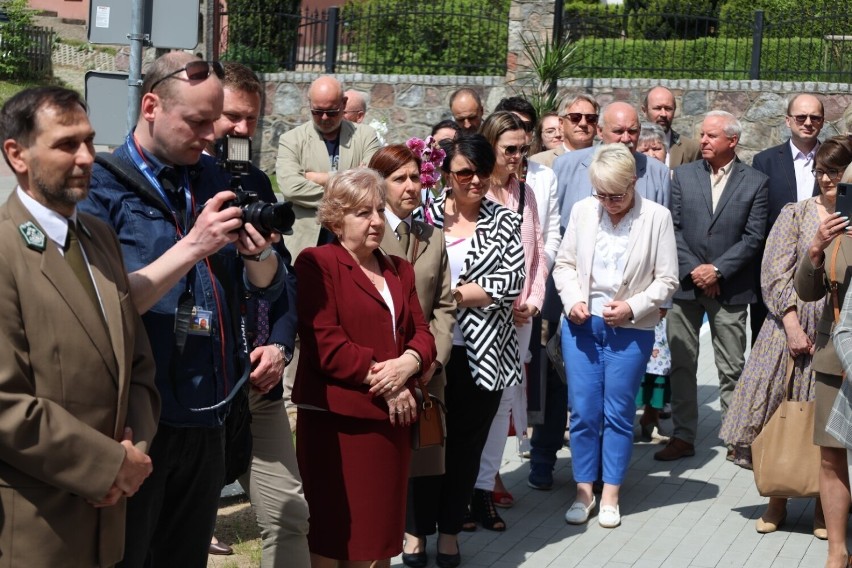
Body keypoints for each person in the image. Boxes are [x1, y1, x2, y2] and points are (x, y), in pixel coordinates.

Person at [81, 52, 287, 567]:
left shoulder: (216, 178)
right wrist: (192, 246)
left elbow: (267, 287)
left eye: (214, 120)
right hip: (140, 421)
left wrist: (259, 256)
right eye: (196, 121)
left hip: (210, 411)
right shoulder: (100, 188)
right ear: (151, 106)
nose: (212, 133)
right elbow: (100, 306)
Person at [0, 85, 159, 567]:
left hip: (106, 528)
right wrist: (108, 466)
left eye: (89, 141)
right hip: (36, 528)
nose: (87, 157)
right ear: (17, 155)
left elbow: (139, 366)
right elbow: (6, 403)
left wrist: (134, 456)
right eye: (67, 144)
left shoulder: (98, 237)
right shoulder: (4, 251)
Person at [293, 167, 436, 567]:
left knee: (377, 540)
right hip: (337, 425)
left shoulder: (398, 268)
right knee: (333, 534)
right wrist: (388, 381)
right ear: (336, 218)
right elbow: (326, 341)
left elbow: (422, 333)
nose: (375, 221)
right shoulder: (317, 263)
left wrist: (409, 362)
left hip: (391, 425)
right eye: (362, 213)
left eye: (377, 210)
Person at [205, 61, 309, 566]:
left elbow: (281, 280)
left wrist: (283, 346)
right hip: (194, 389)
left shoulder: (256, 184)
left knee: (289, 512)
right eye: (233, 117)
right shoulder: (173, 186)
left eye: (253, 118)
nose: (243, 130)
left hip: (259, 384)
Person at [722, 137, 852, 540]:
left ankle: (820, 508)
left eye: (836, 172)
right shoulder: (795, 214)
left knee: (823, 425)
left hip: (835, 335)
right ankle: (776, 500)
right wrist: (792, 326)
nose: (828, 179)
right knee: (779, 417)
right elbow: (774, 273)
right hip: (789, 330)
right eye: (821, 171)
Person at [412, 133, 524, 568]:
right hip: (428, 351)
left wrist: (453, 296)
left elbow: (509, 282)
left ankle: (451, 533)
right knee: (424, 445)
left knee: (464, 448)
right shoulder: (423, 216)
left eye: (482, 172)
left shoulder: (505, 219)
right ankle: (416, 530)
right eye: (463, 173)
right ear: (445, 174)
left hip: (484, 355)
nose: (474, 180)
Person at [554, 143, 678, 528]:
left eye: (617, 195)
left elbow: (668, 279)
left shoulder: (656, 217)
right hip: (581, 326)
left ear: (634, 182)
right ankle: (583, 490)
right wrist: (573, 299)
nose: (608, 202)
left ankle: (611, 493)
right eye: (601, 194)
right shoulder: (582, 210)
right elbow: (564, 263)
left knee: (619, 414)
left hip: (630, 329)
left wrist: (633, 305)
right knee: (584, 413)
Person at [656, 110, 770, 462]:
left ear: (732, 141)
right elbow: (672, 228)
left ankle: (736, 437)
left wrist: (718, 271)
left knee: (732, 366)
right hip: (687, 287)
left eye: (711, 136)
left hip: (730, 289)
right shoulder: (684, 176)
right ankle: (683, 436)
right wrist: (697, 271)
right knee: (682, 364)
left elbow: (754, 238)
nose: (702, 141)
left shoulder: (755, 181)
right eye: (702, 135)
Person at [369, 144, 455, 568]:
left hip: (425, 371)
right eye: (399, 178)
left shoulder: (431, 234)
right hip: (378, 375)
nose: (410, 186)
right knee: (380, 465)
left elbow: (443, 306)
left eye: (415, 177)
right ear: (379, 183)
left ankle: (417, 534)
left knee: (424, 461)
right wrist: (391, 369)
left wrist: (431, 360)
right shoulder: (362, 233)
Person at [470, 111, 548, 530]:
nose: (519, 157)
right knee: (473, 405)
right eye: (510, 150)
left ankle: (483, 491)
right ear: (490, 148)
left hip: (518, 322)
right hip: (477, 319)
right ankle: (462, 490)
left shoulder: (527, 194)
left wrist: (533, 302)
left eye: (524, 149)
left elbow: (538, 257)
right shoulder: (471, 192)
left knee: (502, 407)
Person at [796, 161, 852, 568]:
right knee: (832, 457)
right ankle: (837, 549)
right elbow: (808, 289)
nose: (842, 194)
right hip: (836, 354)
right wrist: (816, 247)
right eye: (844, 188)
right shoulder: (837, 231)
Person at [276, 75, 381, 260]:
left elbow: (371, 183)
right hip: (306, 242)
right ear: (309, 104)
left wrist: (320, 177)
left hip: (355, 242)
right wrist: (350, 187)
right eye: (317, 111)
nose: (324, 118)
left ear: (344, 103)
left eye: (332, 112)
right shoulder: (291, 140)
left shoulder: (365, 136)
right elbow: (291, 187)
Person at [749, 94, 823, 341]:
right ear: (787, 121)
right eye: (801, 117)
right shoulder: (765, 161)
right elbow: (757, 218)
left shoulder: (836, 161)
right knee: (768, 340)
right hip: (775, 266)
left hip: (820, 265)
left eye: (815, 117)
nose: (808, 122)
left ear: (822, 122)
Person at [552, 101, 670, 230]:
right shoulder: (566, 166)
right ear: (600, 131)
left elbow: (664, 229)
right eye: (618, 131)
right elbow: (552, 224)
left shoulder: (658, 172)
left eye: (632, 131)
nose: (626, 139)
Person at [634, 123, 672, 439]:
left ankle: (655, 413)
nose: (650, 154)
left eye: (655, 148)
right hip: (629, 292)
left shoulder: (666, 182)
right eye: (644, 149)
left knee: (659, 362)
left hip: (656, 289)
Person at [530, 94, 599, 168]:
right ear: (561, 123)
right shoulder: (537, 163)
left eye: (591, 118)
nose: (583, 123)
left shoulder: (608, 161)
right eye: (575, 117)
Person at [640, 86, 701, 168]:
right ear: (644, 111)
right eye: (657, 108)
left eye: (668, 109)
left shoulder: (691, 149)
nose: (663, 114)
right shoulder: (633, 145)